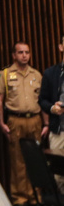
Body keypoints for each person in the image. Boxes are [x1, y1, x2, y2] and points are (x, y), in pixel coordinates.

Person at [0, 42, 47, 206]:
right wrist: (2, 123)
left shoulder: (36, 75)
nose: (24, 55)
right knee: (18, 160)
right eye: (20, 52)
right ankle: (19, 198)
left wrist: (46, 122)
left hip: (35, 120)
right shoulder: (5, 74)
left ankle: (35, 197)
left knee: (36, 159)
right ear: (14, 55)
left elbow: (42, 100)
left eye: (27, 52)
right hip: (15, 120)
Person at [40, 36, 64, 192]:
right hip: (58, 130)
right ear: (61, 47)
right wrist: (51, 109)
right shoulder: (50, 73)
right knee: (59, 175)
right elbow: (42, 100)